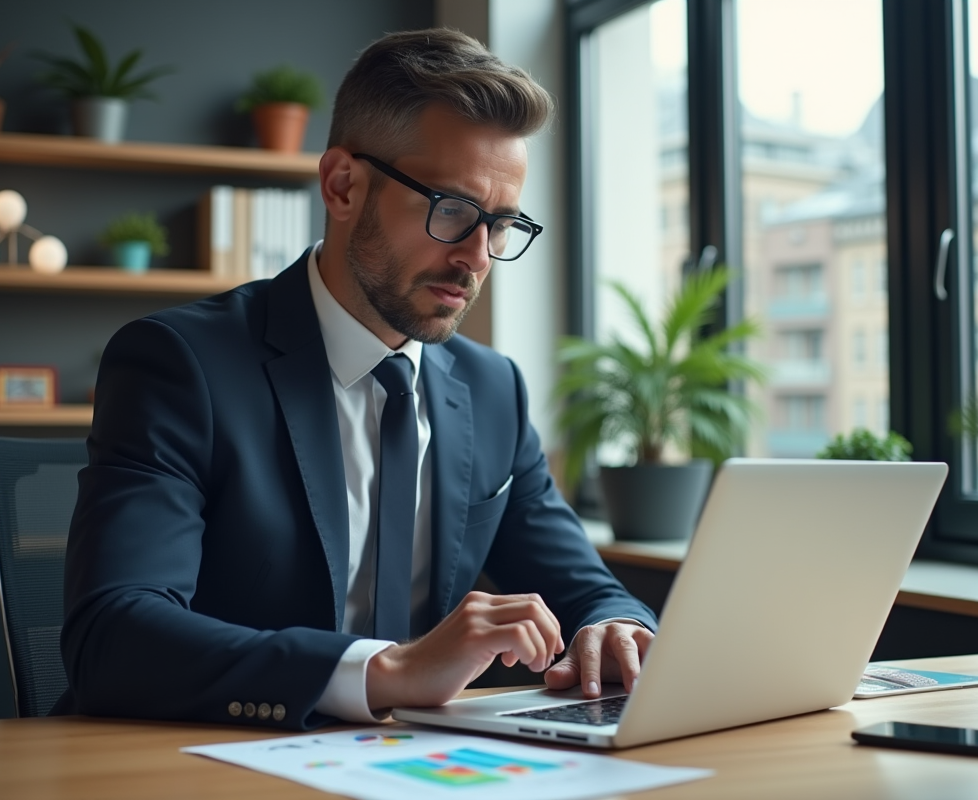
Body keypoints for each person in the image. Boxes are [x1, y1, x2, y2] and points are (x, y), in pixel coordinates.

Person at [56, 28, 656, 730]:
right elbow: (113, 637)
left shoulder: (494, 390)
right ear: (343, 185)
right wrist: (387, 672)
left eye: (500, 224)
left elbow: (590, 589)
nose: (478, 258)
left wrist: (616, 628)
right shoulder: (179, 364)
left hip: (410, 764)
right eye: (453, 211)